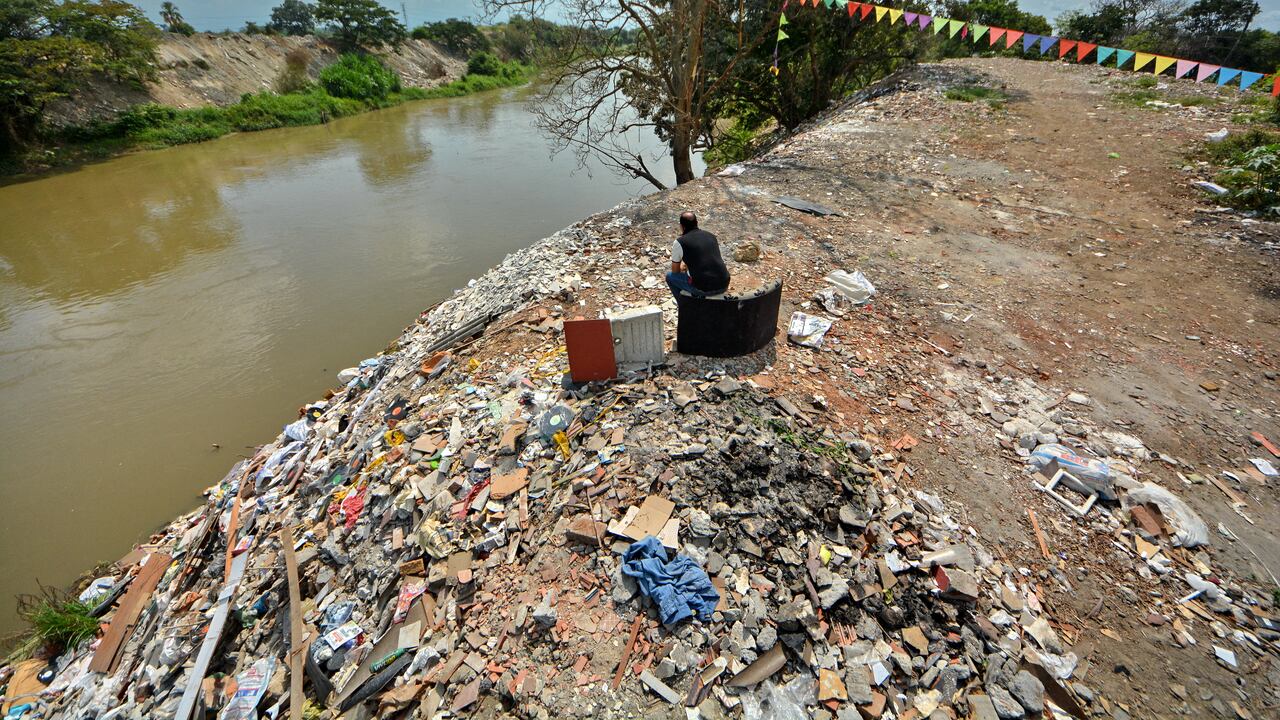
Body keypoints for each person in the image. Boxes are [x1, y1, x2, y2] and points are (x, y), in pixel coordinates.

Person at [666, 211, 730, 299]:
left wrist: (683, 267)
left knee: (670, 277)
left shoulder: (680, 242)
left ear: (681, 226)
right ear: (697, 223)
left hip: (703, 288)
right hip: (724, 284)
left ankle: (684, 306)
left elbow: (675, 271)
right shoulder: (711, 236)